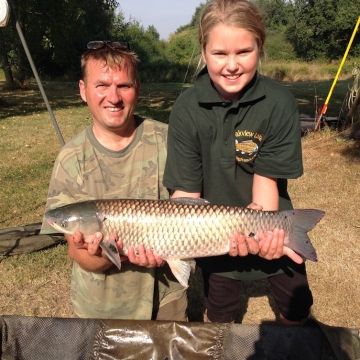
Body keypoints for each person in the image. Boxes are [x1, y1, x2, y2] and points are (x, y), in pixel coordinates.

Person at [163, 0, 313, 325]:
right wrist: (163, 239)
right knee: (220, 315)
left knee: (297, 307)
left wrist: (268, 233)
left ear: (259, 47)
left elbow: (266, 184)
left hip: (267, 215)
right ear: (203, 53)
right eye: (219, 54)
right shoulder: (186, 109)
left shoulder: (279, 102)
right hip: (210, 233)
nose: (231, 65)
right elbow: (185, 195)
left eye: (243, 52)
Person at [41, 40, 187, 320]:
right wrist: (101, 254)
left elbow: (195, 206)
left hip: (165, 297)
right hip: (101, 307)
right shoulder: (71, 158)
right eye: (101, 85)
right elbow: (78, 253)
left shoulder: (170, 141)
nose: (114, 97)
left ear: (138, 89)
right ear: (83, 91)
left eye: (124, 86)